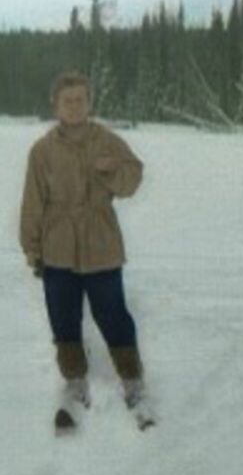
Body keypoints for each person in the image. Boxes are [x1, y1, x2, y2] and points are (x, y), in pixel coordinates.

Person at [18, 70, 151, 430]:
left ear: (90, 102)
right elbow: (32, 203)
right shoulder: (42, 151)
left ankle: (133, 380)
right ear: (55, 105)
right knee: (63, 316)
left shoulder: (106, 141)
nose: (74, 106)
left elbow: (132, 181)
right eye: (68, 100)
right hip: (57, 246)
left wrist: (111, 172)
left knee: (112, 313)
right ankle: (75, 381)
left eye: (81, 99)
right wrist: (32, 249)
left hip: (101, 243)